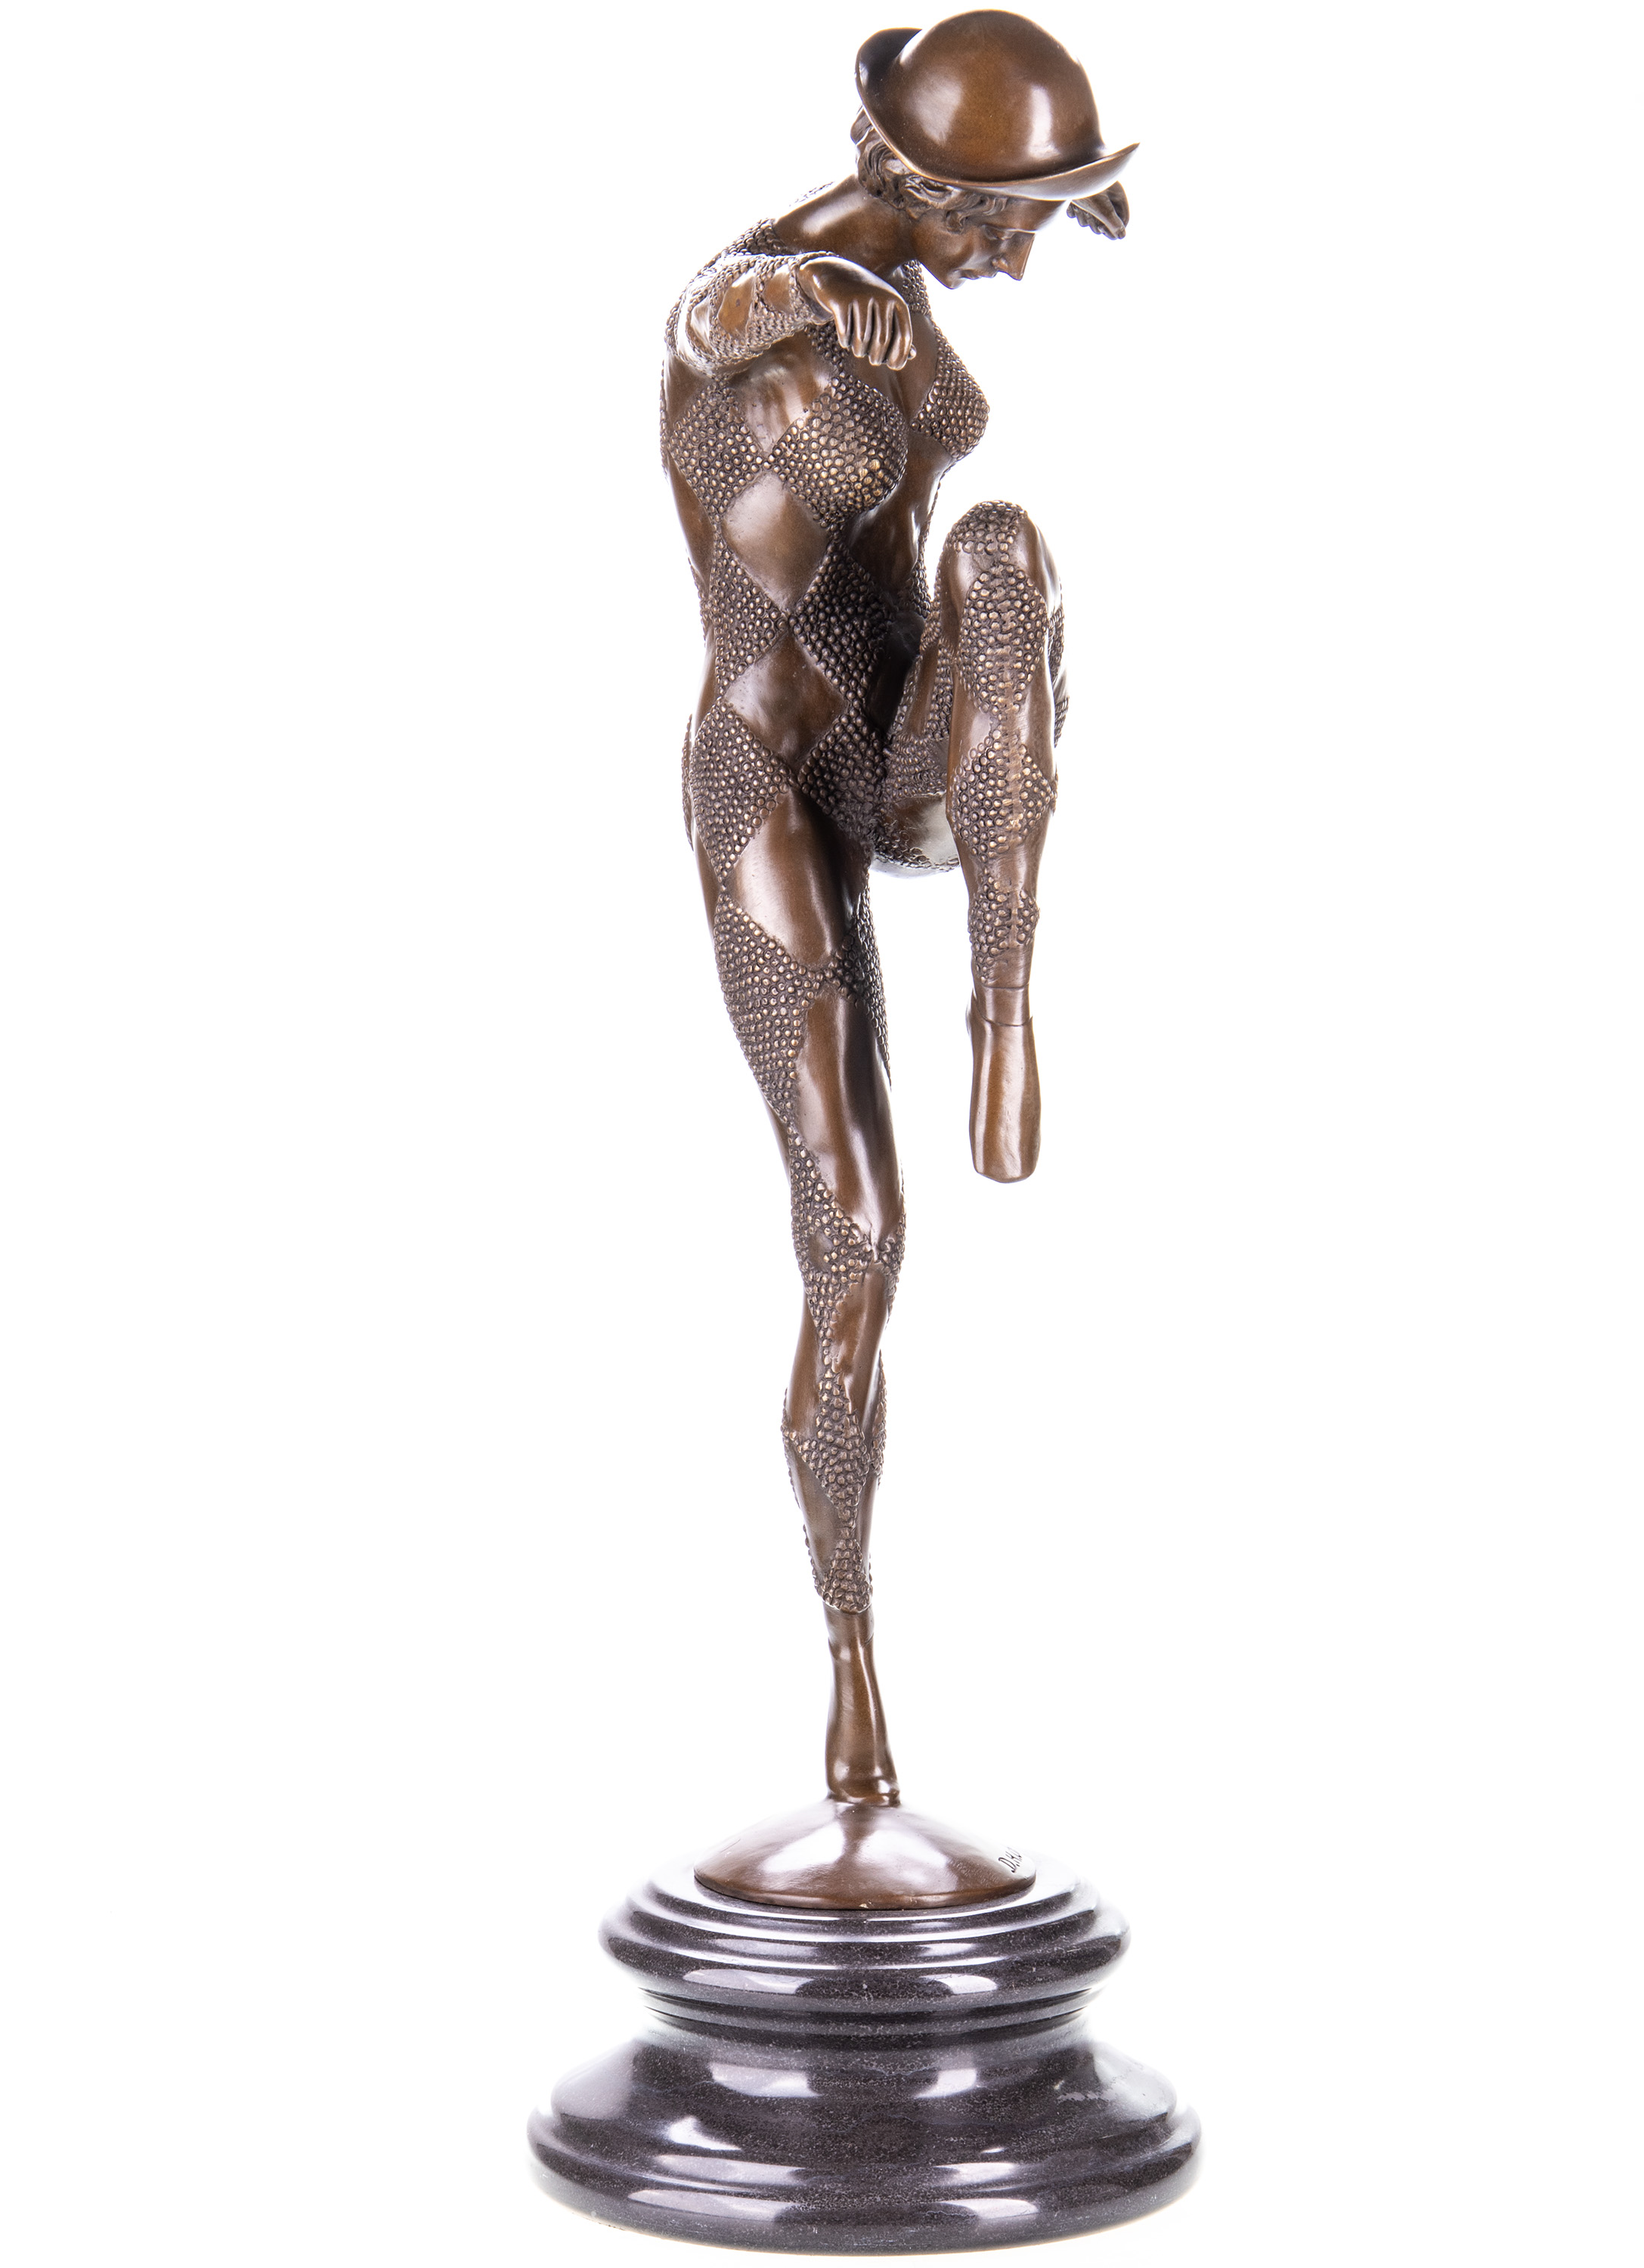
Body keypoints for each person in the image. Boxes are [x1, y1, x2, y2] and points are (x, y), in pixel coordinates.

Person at [662, 12, 1135, 1806]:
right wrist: (802, 296)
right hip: (769, 784)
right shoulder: (754, 293)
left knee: (1000, 553)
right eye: (1006, 219)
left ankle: (1004, 999)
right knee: (852, 1236)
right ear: (914, 180)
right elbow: (715, 312)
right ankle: (850, 1651)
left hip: (913, 754)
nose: (1020, 256)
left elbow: (938, 433)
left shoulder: (921, 311)